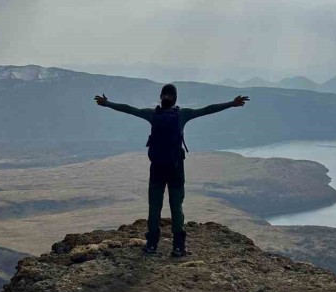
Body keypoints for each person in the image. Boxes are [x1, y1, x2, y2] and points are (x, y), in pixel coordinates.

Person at [94, 83, 249, 257]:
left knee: (154, 206)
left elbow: (130, 109)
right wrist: (231, 103)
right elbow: (207, 109)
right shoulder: (182, 115)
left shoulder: (152, 114)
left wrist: (107, 103)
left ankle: (152, 244)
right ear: (175, 98)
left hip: (157, 168)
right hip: (176, 168)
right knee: (176, 206)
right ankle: (178, 246)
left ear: (160, 97)